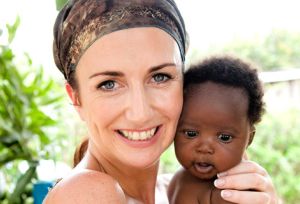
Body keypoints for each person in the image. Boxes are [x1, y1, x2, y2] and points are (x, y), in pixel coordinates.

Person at [44, 0, 278, 203]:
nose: (140, 113)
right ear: (76, 98)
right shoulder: (86, 194)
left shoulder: (174, 190)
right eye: (109, 84)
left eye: (160, 77)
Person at [168, 56, 265, 204]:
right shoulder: (179, 178)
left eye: (224, 138)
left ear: (249, 139)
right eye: (191, 134)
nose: (204, 148)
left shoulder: (232, 193)